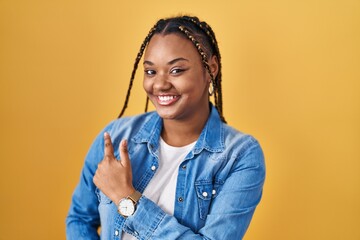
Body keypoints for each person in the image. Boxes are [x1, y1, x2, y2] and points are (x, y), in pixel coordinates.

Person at [66, 15, 265, 240]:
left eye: (176, 70)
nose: (160, 84)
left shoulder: (240, 156)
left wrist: (127, 197)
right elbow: (80, 218)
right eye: (151, 71)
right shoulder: (116, 136)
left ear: (211, 68)